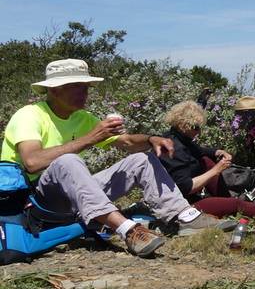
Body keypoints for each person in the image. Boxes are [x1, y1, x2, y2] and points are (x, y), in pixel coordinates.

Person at [0, 60, 232, 258]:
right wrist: (90, 138)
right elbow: (32, 162)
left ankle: (184, 216)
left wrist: (151, 139)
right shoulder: (29, 115)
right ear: (54, 89)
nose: (85, 92)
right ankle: (128, 230)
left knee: (141, 159)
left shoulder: (82, 118)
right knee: (68, 161)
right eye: (77, 87)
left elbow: (126, 142)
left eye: (86, 86)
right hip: (39, 200)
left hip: (75, 197)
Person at [159, 100, 255, 222]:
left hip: (187, 196)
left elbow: (199, 151)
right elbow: (186, 187)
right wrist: (216, 170)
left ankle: (225, 200)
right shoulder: (173, 149)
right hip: (182, 206)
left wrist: (218, 152)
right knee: (236, 205)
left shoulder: (179, 138)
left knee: (205, 160)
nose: (199, 132)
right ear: (184, 125)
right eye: (196, 128)